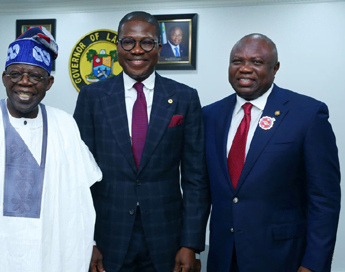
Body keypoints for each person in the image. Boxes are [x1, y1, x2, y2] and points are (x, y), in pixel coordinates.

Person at [0, 26, 102, 272]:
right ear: (4, 78)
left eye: (35, 76)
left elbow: (80, 196)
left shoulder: (65, 126)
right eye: (15, 74)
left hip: (47, 254)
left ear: (49, 82)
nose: (24, 82)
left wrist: (90, 242)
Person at [74, 11, 209, 272]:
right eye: (128, 42)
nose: (137, 50)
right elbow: (80, 177)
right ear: (117, 47)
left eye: (146, 42)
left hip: (167, 238)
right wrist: (86, 240)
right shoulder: (92, 97)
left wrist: (190, 243)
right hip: (107, 238)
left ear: (159, 47)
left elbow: (195, 179)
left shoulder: (185, 97)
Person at [202, 33, 341, 272]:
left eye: (256, 62)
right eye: (237, 61)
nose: (245, 69)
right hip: (223, 257)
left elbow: (324, 199)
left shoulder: (307, 114)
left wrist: (314, 264)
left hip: (282, 258)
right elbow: (202, 189)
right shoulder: (210, 115)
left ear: (275, 68)